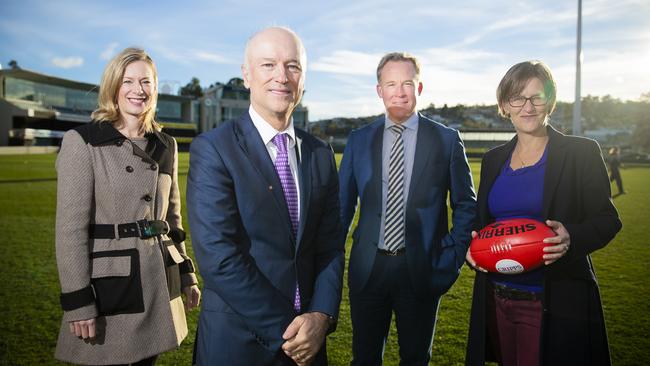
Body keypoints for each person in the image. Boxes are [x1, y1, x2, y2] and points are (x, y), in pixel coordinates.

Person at [187, 27, 344, 366]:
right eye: (268, 65)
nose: (281, 77)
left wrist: (321, 315)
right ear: (246, 75)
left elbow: (330, 246)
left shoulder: (320, 153)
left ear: (303, 77)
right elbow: (219, 257)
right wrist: (290, 331)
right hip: (239, 344)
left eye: (293, 66)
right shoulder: (214, 149)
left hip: (310, 341)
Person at [465, 60, 622, 366]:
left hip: (554, 300)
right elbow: (482, 221)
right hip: (498, 298)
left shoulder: (581, 152)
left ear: (549, 101)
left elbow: (607, 219)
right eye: (518, 98)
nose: (528, 106)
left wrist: (571, 238)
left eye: (537, 97)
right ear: (504, 105)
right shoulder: (493, 159)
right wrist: (473, 248)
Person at [54, 47, 201, 365]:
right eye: (128, 81)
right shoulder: (83, 142)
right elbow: (70, 231)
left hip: (159, 280)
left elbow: (172, 221)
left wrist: (187, 272)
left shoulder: (166, 145)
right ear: (113, 87)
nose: (138, 90)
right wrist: (78, 301)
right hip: (111, 288)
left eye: (146, 82)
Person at [339, 52, 477, 365]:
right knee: (363, 359)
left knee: (416, 358)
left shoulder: (447, 140)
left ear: (419, 88)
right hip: (368, 270)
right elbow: (341, 209)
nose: (399, 91)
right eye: (390, 84)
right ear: (379, 90)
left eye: (406, 83)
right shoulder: (359, 140)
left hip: (422, 269)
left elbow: (466, 205)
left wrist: (452, 257)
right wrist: (332, 264)